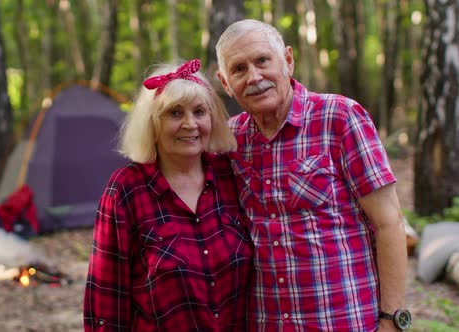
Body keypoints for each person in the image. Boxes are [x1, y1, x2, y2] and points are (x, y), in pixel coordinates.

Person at [215, 19, 409, 331]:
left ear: (288, 60)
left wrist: (392, 320)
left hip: (343, 321)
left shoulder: (341, 117)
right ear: (225, 83)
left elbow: (390, 222)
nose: (254, 77)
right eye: (238, 69)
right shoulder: (229, 141)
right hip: (266, 322)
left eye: (262, 60)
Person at [83, 59, 254, 331]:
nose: (190, 124)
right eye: (175, 113)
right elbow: (106, 295)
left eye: (199, 112)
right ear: (152, 123)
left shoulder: (230, 175)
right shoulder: (127, 189)